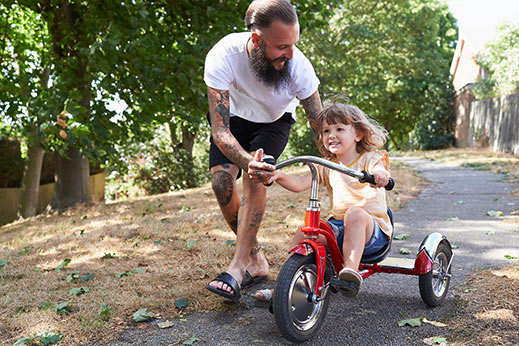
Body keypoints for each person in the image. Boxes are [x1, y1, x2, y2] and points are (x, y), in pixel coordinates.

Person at [204, 0, 322, 301]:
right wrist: (245, 160)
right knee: (221, 183)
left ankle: (237, 266)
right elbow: (220, 129)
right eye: (282, 46)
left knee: (256, 176)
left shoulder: (298, 66)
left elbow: (319, 122)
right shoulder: (223, 55)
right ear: (256, 39)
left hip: (274, 121)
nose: (291, 53)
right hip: (234, 121)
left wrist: (339, 161)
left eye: (294, 44)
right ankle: (256, 259)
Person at [251, 102, 393, 300]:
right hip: (339, 227)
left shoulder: (370, 158)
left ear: (358, 134)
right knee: (306, 231)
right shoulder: (327, 166)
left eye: (339, 129)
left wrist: (379, 175)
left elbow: (381, 170)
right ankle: (285, 287)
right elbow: (300, 183)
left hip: (372, 230)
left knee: (355, 213)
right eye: (326, 131)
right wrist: (278, 176)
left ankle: (350, 273)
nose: (331, 135)